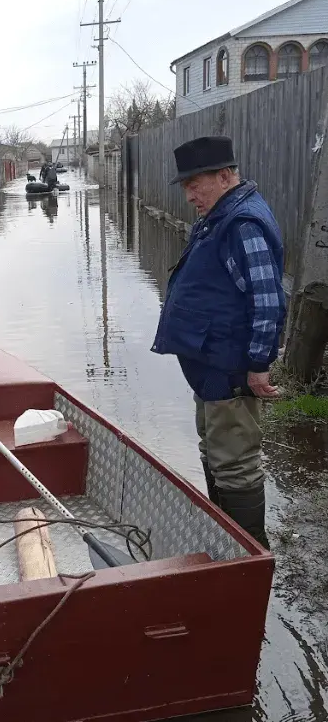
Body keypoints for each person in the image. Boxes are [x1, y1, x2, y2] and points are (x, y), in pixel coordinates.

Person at [151, 136, 285, 549]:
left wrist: (259, 363)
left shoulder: (241, 224)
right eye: (186, 186)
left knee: (235, 462)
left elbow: (267, 301)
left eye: (197, 184)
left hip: (228, 369)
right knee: (214, 449)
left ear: (226, 176)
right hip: (209, 366)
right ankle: (225, 536)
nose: (190, 194)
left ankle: (250, 553)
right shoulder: (220, 216)